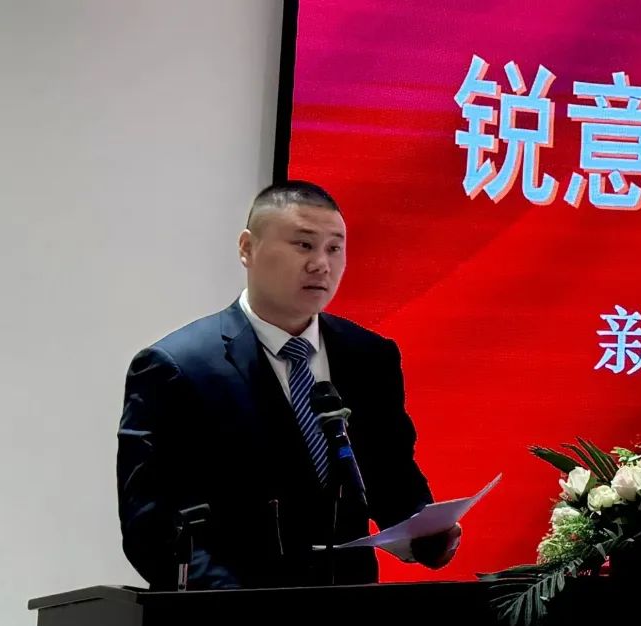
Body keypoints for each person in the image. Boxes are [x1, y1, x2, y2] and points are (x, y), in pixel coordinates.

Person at [116, 180, 460, 590]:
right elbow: (149, 526)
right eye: (303, 245)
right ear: (247, 248)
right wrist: (236, 606)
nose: (321, 264)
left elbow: (390, 476)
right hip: (228, 614)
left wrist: (427, 533)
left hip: (352, 608)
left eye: (334, 248)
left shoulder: (369, 357)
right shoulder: (177, 367)